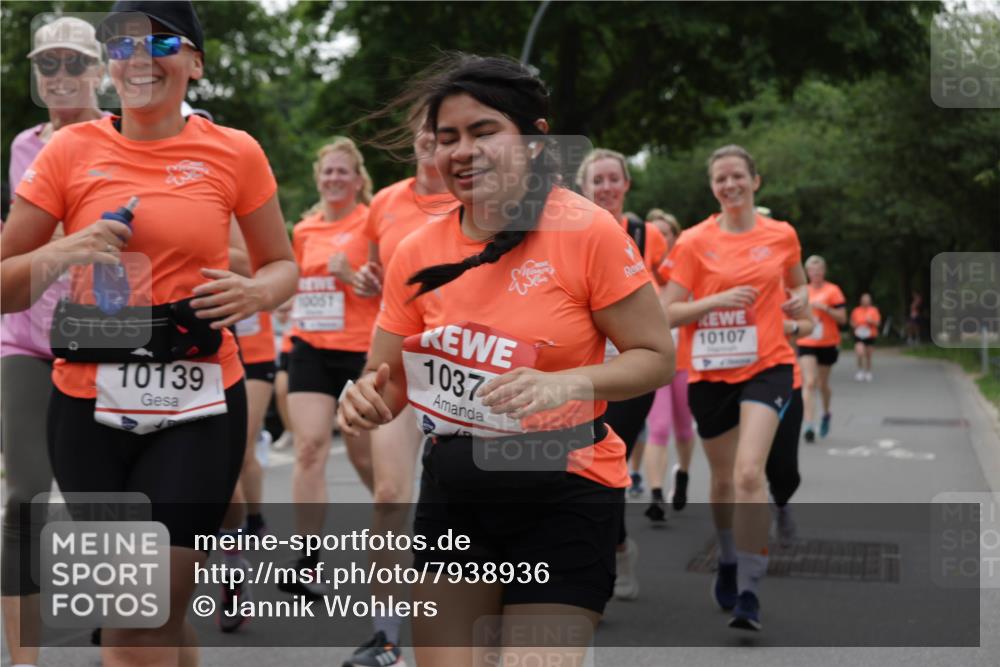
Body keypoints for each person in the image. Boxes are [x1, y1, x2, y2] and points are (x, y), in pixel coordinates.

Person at [338, 53, 673, 666]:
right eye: (447, 138)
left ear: (535, 141)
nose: (463, 151)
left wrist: (566, 384)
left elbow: (654, 357)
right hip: (456, 496)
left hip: (567, 491)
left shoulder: (588, 231)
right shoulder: (415, 251)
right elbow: (387, 383)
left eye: (483, 131)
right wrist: (362, 399)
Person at [0, 3, 298, 664]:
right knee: (147, 617)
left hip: (198, 400)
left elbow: (282, 263)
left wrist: (256, 291)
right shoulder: (68, 151)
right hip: (88, 406)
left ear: (195, 63)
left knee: (138, 619)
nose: (138, 57)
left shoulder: (236, 150)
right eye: (120, 45)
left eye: (161, 42)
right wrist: (65, 249)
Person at [661, 144, 807, 631]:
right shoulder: (693, 241)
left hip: (768, 365)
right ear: (712, 187)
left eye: (737, 176)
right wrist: (715, 301)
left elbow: (799, 286)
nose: (730, 185)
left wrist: (799, 306)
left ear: (755, 181)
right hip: (709, 373)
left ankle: (749, 589)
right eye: (720, 179)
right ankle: (726, 559)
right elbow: (665, 312)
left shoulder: (782, 234)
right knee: (723, 480)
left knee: (748, 474)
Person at [1, 16, 106, 667]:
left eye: (74, 63)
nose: (61, 76)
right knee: (25, 498)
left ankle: (124, 635)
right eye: (48, 64)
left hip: (105, 336)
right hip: (27, 339)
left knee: (109, 500)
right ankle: (25, 661)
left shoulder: (123, 135)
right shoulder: (24, 146)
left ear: (100, 70)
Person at [344, 114, 458, 667]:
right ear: (414, 138)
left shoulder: (471, 198)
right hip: (399, 363)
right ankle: (386, 638)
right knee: (389, 496)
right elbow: (375, 274)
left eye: (444, 132)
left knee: (471, 499)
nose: (432, 141)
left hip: (462, 367)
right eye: (425, 132)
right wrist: (366, 280)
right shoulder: (386, 202)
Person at [281, 138, 378, 598]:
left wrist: (350, 277)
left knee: (364, 456)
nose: (334, 178)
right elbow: (297, 286)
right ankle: (307, 562)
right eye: (327, 171)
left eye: (342, 171)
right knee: (309, 447)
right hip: (310, 347)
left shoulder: (372, 223)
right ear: (318, 178)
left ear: (358, 180)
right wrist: (286, 302)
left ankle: (397, 518)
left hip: (361, 352)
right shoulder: (304, 230)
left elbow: (392, 292)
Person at [576, 147, 669, 600]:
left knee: (607, 461)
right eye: (597, 180)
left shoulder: (648, 236)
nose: (606, 187)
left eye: (613, 179)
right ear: (583, 187)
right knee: (581, 470)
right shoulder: (568, 234)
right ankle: (610, 549)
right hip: (581, 369)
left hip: (630, 369)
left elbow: (670, 293)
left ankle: (612, 556)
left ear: (627, 185)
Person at [645, 211, 697, 520]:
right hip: (655, 364)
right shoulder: (639, 273)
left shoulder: (687, 273)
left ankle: (683, 474)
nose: (660, 238)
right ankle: (655, 495)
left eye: (666, 233)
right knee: (660, 427)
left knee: (684, 429)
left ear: (675, 237)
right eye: (655, 232)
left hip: (685, 361)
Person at [796, 255, 846, 443]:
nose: (816, 273)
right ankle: (809, 425)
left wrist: (825, 308)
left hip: (827, 343)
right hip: (806, 342)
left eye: (819, 270)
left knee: (822, 385)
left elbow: (843, 318)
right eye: (812, 270)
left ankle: (826, 413)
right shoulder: (803, 291)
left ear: (824, 271)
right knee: (809, 382)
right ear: (807, 272)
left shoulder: (833, 290)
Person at [851, 293, 881, 381]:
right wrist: (854, 325)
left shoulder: (874, 310)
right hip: (859, 334)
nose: (865, 302)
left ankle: (868, 372)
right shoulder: (856, 310)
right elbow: (852, 321)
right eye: (864, 300)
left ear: (870, 301)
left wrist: (871, 321)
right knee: (859, 352)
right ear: (861, 301)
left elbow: (878, 323)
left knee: (868, 355)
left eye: (867, 300)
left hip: (870, 335)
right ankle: (860, 371)